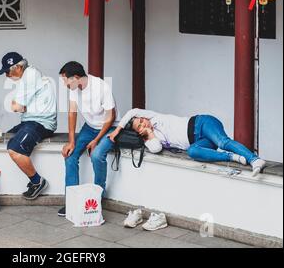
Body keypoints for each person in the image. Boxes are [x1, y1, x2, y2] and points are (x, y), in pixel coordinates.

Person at [108, 109, 267, 177]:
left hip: (202, 123)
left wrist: (116, 130)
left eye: (142, 120)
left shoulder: (154, 117)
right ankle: (232, 157)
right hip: (198, 141)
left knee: (223, 141)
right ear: (139, 132)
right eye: (139, 126)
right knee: (192, 152)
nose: (143, 123)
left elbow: (132, 112)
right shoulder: (150, 140)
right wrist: (149, 133)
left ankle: (254, 160)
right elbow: (156, 149)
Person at [58, 61, 117, 217]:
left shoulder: (101, 87)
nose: (65, 84)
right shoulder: (74, 88)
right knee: (70, 156)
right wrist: (71, 142)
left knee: (97, 155)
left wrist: (96, 140)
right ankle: (71, 202)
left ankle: (98, 197)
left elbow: (111, 117)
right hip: (89, 128)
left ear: (76, 77)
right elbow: (72, 113)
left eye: (66, 80)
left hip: (107, 128)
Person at [0, 52, 57, 200]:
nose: (7, 75)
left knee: (15, 149)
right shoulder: (28, 76)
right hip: (30, 120)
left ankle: (37, 182)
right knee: (5, 137)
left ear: (17, 67)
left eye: (7, 71)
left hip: (40, 123)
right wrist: (19, 105)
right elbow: (19, 106)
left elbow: (17, 107)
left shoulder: (30, 76)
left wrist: (18, 105)